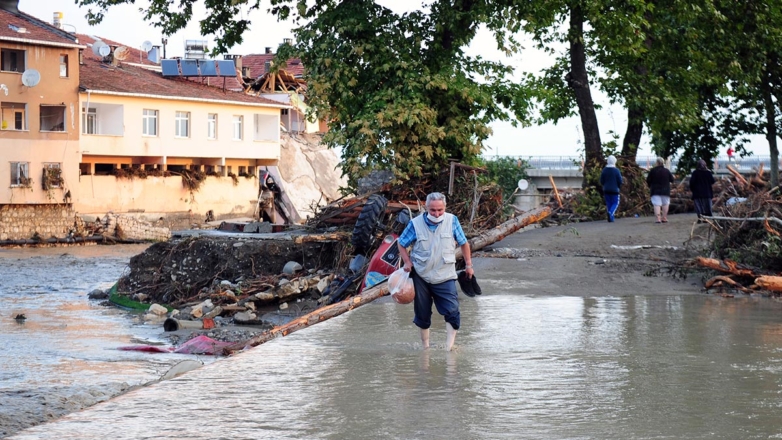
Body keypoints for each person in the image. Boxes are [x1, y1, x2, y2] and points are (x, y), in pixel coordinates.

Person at [398, 192, 473, 351]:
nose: (437, 213)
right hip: (421, 275)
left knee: (452, 311)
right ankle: (425, 348)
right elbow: (401, 243)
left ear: (445, 207)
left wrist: (468, 265)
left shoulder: (452, 221)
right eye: (433, 210)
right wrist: (407, 261)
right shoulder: (415, 224)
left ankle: (448, 348)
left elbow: (464, 243)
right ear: (426, 207)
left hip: (445, 274)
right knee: (422, 314)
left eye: (440, 210)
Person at [646, 157, 675, 223]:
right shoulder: (666, 171)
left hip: (655, 190)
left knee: (656, 204)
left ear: (657, 163)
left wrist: (650, 186)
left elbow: (648, 180)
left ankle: (658, 219)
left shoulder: (653, 171)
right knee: (665, 204)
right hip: (665, 190)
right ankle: (664, 218)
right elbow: (672, 180)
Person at [599, 155, 623, 222]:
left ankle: (611, 218)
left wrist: (604, 185)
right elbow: (620, 181)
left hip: (606, 189)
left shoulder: (604, 170)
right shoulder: (616, 171)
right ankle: (610, 213)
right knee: (615, 203)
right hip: (615, 190)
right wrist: (618, 186)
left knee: (608, 203)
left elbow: (601, 180)